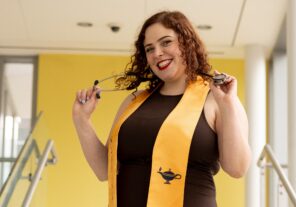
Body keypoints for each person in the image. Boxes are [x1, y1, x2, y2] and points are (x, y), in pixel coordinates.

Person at [72, 10, 251, 207]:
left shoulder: (217, 98)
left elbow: (237, 168)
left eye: (166, 42)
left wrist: (228, 105)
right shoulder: (133, 101)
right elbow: (104, 170)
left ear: (186, 43)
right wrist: (82, 120)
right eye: (149, 48)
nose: (157, 53)